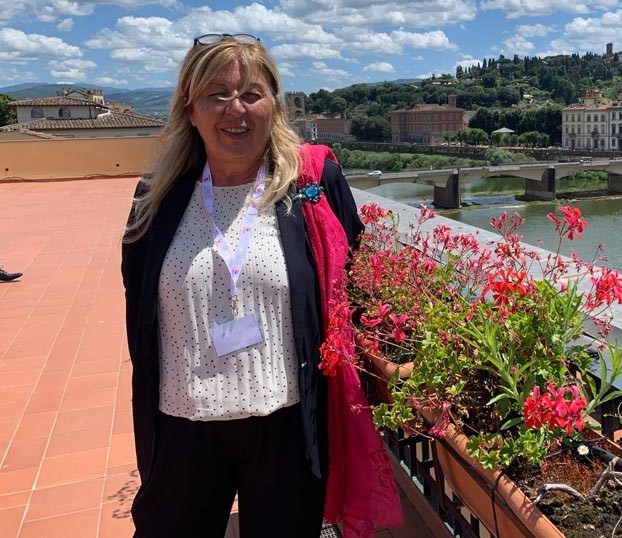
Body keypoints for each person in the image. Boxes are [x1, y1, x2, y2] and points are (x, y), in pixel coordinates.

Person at [121, 34, 370, 538]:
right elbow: (138, 300)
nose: (235, 109)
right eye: (216, 95)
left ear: (273, 104)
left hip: (284, 424)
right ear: (190, 109)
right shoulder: (156, 197)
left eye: (251, 94)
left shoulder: (311, 187)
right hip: (182, 422)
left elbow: (359, 284)